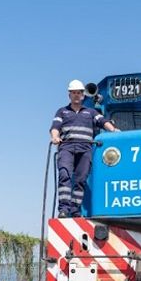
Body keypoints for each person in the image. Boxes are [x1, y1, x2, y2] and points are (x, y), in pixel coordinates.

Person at [50, 79, 119, 218]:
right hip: (66, 147)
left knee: (81, 180)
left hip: (85, 148)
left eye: (79, 93)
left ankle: (75, 209)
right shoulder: (62, 112)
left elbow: (102, 121)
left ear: (83, 95)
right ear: (69, 94)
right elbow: (55, 127)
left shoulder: (91, 112)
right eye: (74, 93)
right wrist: (55, 137)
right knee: (64, 175)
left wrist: (113, 130)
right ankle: (63, 209)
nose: (77, 95)